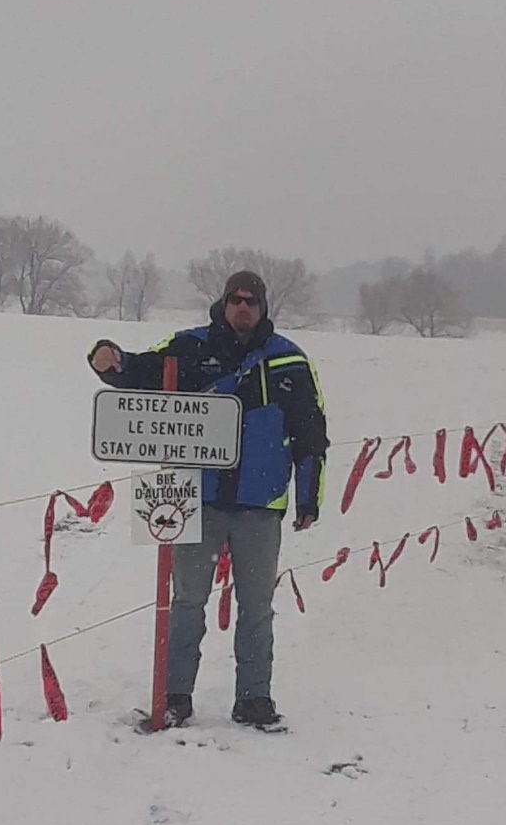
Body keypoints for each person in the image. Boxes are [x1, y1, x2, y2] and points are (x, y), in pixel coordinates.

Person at [88, 270, 328, 728]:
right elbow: (137, 371)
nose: (242, 308)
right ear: (224, 302)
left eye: (251, 301)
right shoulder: (190, 347)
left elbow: (311, 433)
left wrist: (308, 496)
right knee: (186, 604)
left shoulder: (289, 361)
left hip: (261, 507)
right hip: (197, 500)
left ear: (262, 308)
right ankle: (176, 695)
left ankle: (254, 698)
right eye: (235, 299)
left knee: (257, 609)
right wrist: (107, 358)